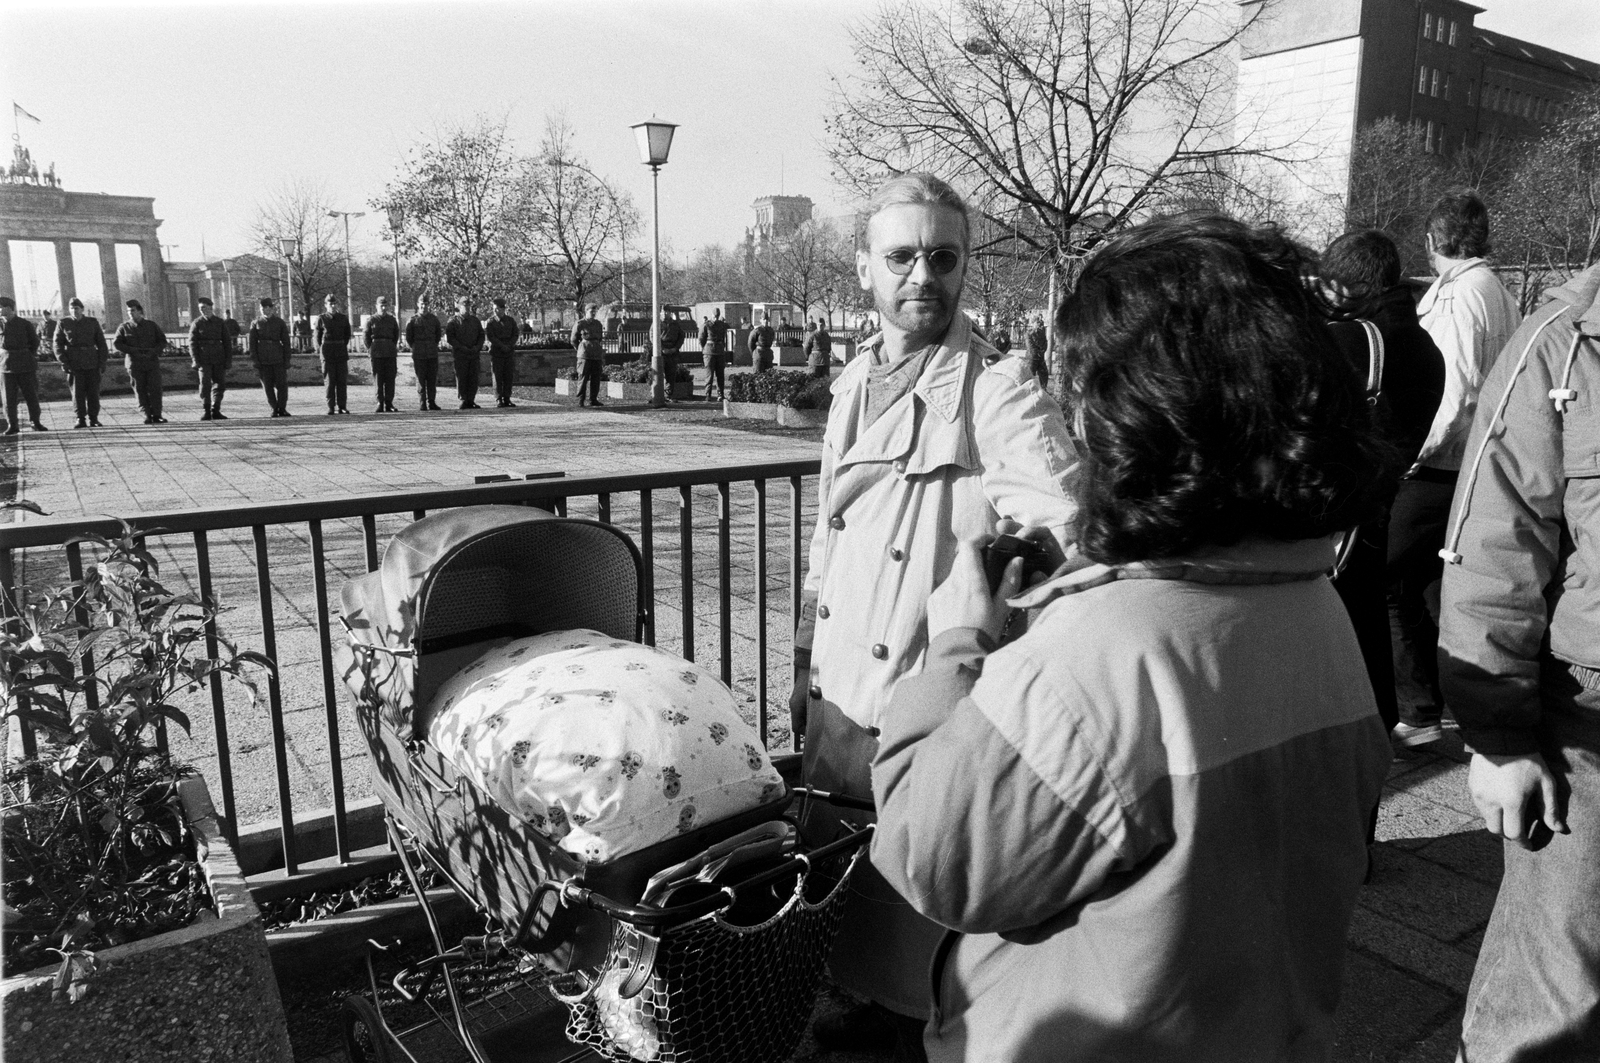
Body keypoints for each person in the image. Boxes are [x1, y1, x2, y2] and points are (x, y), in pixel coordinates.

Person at [870, 213, 1392, 1063]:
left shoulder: (1100, 652)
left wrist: (959, 638)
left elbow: (933, 856)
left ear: (1135, 415)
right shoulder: (1314, 600)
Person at [791, 173, 1080, 1056]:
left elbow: (1070, 531)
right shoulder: (851, 382)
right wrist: (804, 656)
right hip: (840, 688)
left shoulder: (994, 392)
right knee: (846, 876)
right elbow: (830, 538)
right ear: (863, 268)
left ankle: (907, 1019)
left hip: (919, 695)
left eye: (943, 256)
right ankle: (866, 1001)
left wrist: (992, 632)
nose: (924, 273)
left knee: (915, 901)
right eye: (902, 255)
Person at [1438, 260, 1600, 1062]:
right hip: (1588, 718)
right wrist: (1498, 738)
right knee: (1552, 998)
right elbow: (1494, 544)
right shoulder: (1564, 346)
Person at [1393, 191, 1523, 746]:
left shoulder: (1459, 295)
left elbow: (1451, 388)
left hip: (1439, 462)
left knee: (1395, 582)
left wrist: (1414, 454)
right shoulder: (1499, 291)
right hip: (1476, 460)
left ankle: (1419, 711)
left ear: (1431, 240)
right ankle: (1454, 705)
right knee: (1435, 587)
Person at [1318, 229, 1446, 739]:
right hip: (1377, 516)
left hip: (1331, 535)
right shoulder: (1426, 347)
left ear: (1346, 287)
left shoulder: (1351, 342)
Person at [54, 297, 109, 429]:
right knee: (77, 393)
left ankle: (94, 418)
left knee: (93, 392)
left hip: (91, 361)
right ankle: (80, 418)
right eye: (72, 308)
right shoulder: (63, 323)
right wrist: (64, 362)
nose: (74, 311)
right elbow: (57, 344)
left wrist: (102, 361)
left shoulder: (92, 322)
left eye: (77, 308)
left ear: (82, 309)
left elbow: (101, 343)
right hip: (74, 363)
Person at [113, 299, 167, 425]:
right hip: (134, 363)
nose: (130, 313)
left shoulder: (151, 325)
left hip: (151, 361)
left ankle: (157, 414)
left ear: (140, 311)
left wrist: (154, 351)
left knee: (155, 389)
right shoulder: (124, 327)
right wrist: (132, 350)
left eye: (133, 310)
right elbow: (117, 343)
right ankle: (147, 414)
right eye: (128, 311)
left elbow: (162, 341)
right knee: (140, 389)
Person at [0, 296, 45, 435]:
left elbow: (35, 342)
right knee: (8, 398)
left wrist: (26, 355)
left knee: (31, 395)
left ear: (9, 308)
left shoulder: (24, 324)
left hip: (25, 364)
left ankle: (35, 422)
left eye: (1, 307)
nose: (0, 310)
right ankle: (12, 425)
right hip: (6, 365)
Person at [249, 296, 293, 417]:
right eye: (262, 308)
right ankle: (274, 408)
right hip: (263, 359)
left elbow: (286, 342)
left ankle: (282, 408)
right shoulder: (256, 323)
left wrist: (287, 359)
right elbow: (252, 344)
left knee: (282, 385)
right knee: (267, 386)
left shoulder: (279, 323)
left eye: (267, 307)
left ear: (271, 309)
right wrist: (255, 360)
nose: (264, 310)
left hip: (278, 358)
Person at [189, 296, 232, 420]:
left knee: (220, 384)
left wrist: (228, 360)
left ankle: (216, 408)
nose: (202, 310)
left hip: (219, 357)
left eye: (204, 308)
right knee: (205, 385)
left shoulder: (220, 322)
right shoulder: (197, 323)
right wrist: (195, 360)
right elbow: (192, 343)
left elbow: (227, 342)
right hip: (204, 359)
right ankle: (206, 410)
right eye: (200, 308)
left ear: (211, 308)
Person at [315, 294, 353, 415]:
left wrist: (341, 345)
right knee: (330, 381)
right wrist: (321, 352)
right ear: (326, 305)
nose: (332, 306)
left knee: (342, 381)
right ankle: (331, 406)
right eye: (330, 304)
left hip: (340, 352)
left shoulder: (343, 318)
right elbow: (317, 337)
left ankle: (342, 406)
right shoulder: (321, 318)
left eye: (334, 303)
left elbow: (347, 335)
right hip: (328, 353)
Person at [445, 295, 485, 410]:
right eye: (464, 306)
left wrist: (477, 347)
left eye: (468, 306)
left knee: (473, 377)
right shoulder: (453, 322)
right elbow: (450, 338)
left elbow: (481, 335)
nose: (466, 308)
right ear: (459, 307)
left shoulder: (475, 321)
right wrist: (462, 348)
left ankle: (471, 400)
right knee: (462, 377)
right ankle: (463, 399)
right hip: (460, 355)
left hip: (473, 353)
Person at [405, 295, 444, 411]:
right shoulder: (412, 320)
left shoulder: (434, 319)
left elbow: (437, 336)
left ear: (429, 305)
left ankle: (432, 402)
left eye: (426, 304)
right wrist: (417, 347)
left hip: (431, 353)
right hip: (419, 354)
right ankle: (422, 403)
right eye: (422, 304)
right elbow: (409, 338)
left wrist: (431, 345)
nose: (424, 306)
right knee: (421, 379)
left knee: (432, 379)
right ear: (418, 304)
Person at [363, 295, 401, 413]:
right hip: (377, 352)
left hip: (389, 352)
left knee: (390, 378)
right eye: (381, 306)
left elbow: (395, 335)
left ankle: (389, 403)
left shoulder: (392, 320)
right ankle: (380, 402)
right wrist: (371, 349)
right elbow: (366, 337)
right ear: (376, 306)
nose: (383, 308)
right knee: (378, 378)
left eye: (385, 306)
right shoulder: (371, 320)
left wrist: (391, 346)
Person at [485, 296, 520, 408]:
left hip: (508, 352)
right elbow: (491, 337)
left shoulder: (510, 321)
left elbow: (515, 334)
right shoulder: (491, 322)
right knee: (497, 376)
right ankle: (498, 398)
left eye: (498, 309)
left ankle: (507, 398)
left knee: (508, 376)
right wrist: (502, 346)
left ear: (504, 309)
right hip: (497, 352)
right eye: (495, 309)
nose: (496, 311)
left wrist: (509, 345)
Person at [571, 303, 605, 407]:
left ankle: (593, 399)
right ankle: (581, 399)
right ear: (586, 311)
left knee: (596, 377)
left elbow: (600, 338)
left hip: (596, 354)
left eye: (595, 312)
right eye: (591, 311)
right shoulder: (580, 324)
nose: (593, 313)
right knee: (583, 376)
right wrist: (580, 349)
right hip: (584, 354)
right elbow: (573, 340)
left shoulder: (598, 324)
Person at [700, 307, 730, 400]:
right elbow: (701, 339)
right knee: (709, 375)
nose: (716, 318)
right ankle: (707, 394)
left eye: (717, 316)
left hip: (720, 352)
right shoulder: (706, 325)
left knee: (720, 375)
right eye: (714, 316)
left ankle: (720, 394)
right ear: (711, 315)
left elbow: (724, 337)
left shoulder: (722, 325)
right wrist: (705, 349)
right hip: (709, 352)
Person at [1024, 314, 1048, 388]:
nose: (1039, 324)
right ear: (1032, 323)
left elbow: (1045, 343)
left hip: (1040, 358)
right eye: (1037, 322)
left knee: (1044, 374)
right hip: (1032, 358)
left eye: (1039, 323)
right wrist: (1038, 353)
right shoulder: (1028, 333)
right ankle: (1028, 390)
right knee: (1030, 375)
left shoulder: (1041, 333)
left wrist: (1042, 352)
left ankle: (1044, 389)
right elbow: (1030, 347)